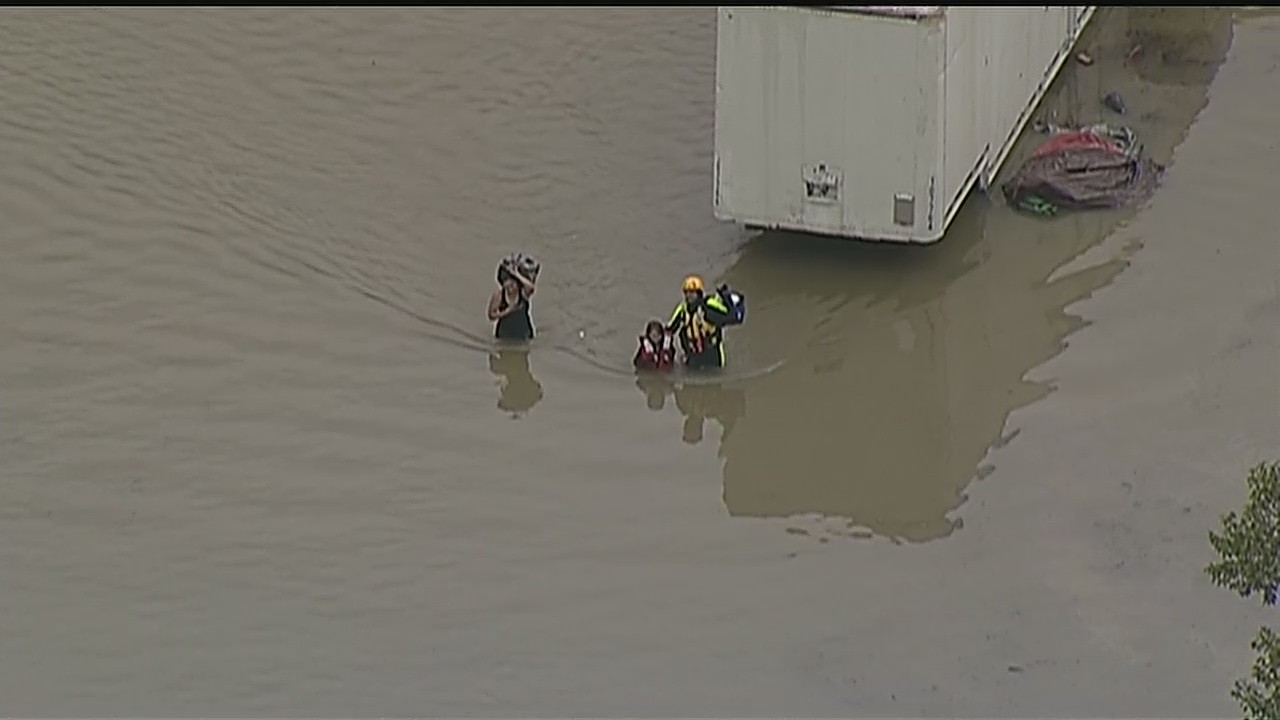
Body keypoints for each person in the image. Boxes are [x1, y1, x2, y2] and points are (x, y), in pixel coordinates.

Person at [667, 274, 733, 370]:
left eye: (692, 292)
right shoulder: (682, 309)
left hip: (713, 353)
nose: (689, 295)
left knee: (717, 375)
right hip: (693, 353)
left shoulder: (709, 304)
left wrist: (725, 295)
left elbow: (726, 311)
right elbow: (670, 329)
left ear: (699, 293)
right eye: (687, 292)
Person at [487, 266, 536, 340]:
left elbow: (531, 288)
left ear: (517, 282)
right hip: (504, 334)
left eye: (512, 285)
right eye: (507, 287)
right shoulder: (499, 295)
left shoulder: (523, 293)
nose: (510, 289)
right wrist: (507, 311)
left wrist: (517, 274)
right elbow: (491, 315)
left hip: (524, 333)